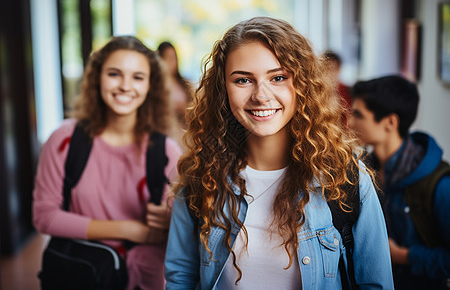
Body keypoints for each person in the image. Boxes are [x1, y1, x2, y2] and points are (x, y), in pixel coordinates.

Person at [164, 17, 393, 289]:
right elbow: (181, 279)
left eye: (278, 77)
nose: (261, 95)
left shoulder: (346, 180)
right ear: (223, 90)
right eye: (243, 80)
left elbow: (375, 284)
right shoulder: (201, 179)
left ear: (302, 84)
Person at [33, 36, 182, 290]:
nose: (125, 86)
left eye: (138, 77)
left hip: (147, 279)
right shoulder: (65, 140)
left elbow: (186, 226)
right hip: (81, 273)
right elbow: (44, 216)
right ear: (97, 78)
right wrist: (130, 229)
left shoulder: (167, 151)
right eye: (114, 74)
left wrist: (173, 219)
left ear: (150, 86)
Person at [348, 75, 450, 289]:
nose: (349, 122)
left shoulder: (439, 184)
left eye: (358, 115)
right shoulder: (360, 172)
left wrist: (403, 256)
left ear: (390, 123)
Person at [157, 41, 194, 150]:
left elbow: (196, 110)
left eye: (173, 58)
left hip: (186, 136)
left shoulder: (186, 84)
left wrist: (185, 110)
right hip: (165, 135)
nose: (171, 62)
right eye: (167, 58)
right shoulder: (154, 86)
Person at [322, 50, 352, 125]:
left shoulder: (348, 91)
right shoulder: (316, 91)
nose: (329, 73)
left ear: (339, 70)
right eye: (326, 69)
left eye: (333, 69)